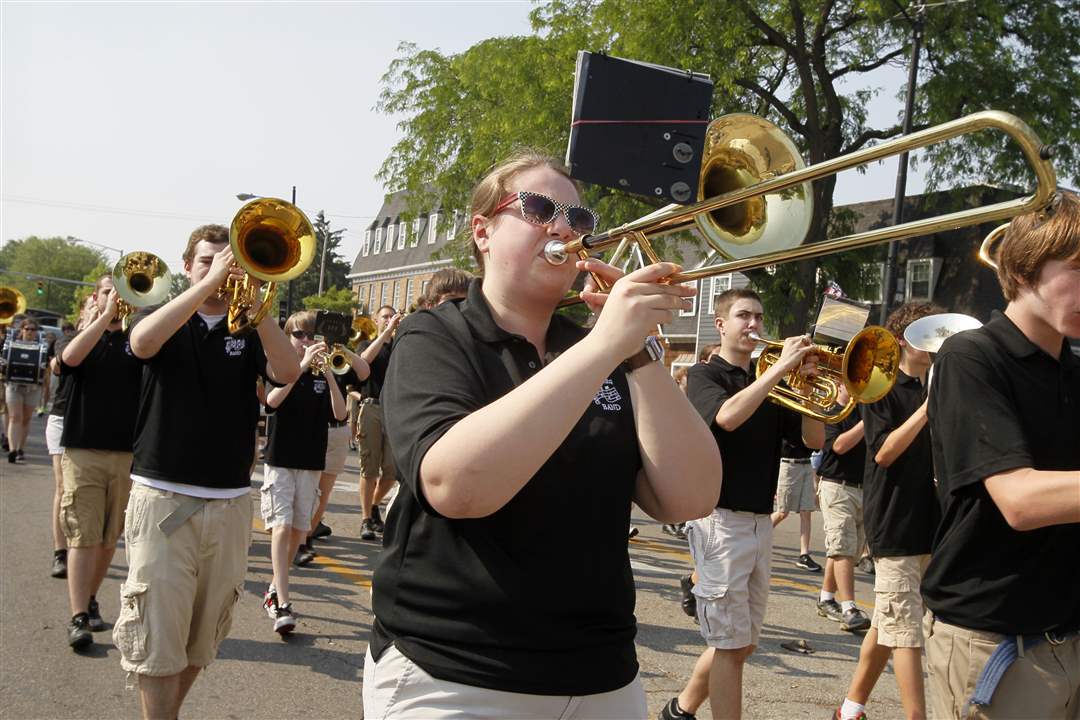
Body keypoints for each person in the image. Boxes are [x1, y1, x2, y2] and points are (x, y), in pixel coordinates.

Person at [362, 150, 721, 718]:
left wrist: (639, 351)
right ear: (482, 231)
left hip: (603, 675)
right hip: (456, 673)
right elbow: (457, 487)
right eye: (538, 208)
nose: (564, 228)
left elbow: (692, 496)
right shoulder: (435, 334)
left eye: (580, 220)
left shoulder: (600, 346)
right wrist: (606, 344)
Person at [114, 224, 301, 720]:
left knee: (202, 638)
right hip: (162, 497)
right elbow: (142, 342)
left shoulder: (249, 323)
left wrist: (258, 303)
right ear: (187, 266)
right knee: (157, 635)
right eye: (206, 260)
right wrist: (204, 286)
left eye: (228, 261)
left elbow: (287, 372)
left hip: (230, 502)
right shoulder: (166, 317)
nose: (220, 269)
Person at [922, 191, 1080, 720]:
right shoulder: (972, 356)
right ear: (1026, 267)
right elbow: (1020, 500)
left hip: (1066, 634)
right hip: (994, 643)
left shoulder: (1071, 368)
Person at [660, 288, 825, 720]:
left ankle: (680, 709)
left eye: (758, 317)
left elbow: (814, 440)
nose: (753, 325)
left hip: (760, 523)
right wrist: (780, 371)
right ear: (721, 325)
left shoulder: (770, 381)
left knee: (743, 642)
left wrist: (807, 387)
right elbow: (728, 418)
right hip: (719, 520)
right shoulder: (703, 375)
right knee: (730, 646)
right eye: (743, 316)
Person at [832, 301, 941, 720]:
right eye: (925, 333)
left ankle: (851, 707)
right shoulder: (879, 385)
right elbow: (883, 453)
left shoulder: (936, 383)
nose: (934, 342)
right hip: (893, 521)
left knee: (889, 623)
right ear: (900, 340)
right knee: (907, 631)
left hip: (931, 521)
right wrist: (928, 408)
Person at [58, 273, 143, 651]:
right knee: (83, 535)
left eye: (122, 294)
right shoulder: (79, 337)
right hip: (83, 449)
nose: (116, 299)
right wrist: (100, 318)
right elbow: (69, 359)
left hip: (126, 453)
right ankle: (78, 616)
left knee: (109, 537)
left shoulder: (137, 341)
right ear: (96, 296)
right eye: (109, 292)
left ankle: (90, 597)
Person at [259, 310, 348, 633]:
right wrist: (299, 366)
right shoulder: (280, 368)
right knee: (281, 527)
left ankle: (272, 589)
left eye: (311, 336)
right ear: (287, 337)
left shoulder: (320, 375)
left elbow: (340, 413)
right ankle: (283, 602)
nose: (306, 341)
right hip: (281, 459)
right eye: (299, 335)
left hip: (310, 462)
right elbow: (271, 402)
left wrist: (327, 375)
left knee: (299, 530)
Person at [814, 384, 871, 632]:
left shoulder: (863, 411)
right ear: (838, 385)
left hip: (862, 487)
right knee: (843, 548)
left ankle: (826, 598)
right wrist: (866, 423)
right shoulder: (832, 412)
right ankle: (849, 608)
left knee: (845, 549)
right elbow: (838, 446)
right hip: (837, 486)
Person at [355, 304, 402, 540]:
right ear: (375, 320)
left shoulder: (400, 345)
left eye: (392, 317)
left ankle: (374, 505)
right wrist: (386, 332)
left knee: (393, 470)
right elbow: (364, 360)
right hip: (372, 407)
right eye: (384, 316)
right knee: (369, 468)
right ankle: (365, 519)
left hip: (394, 411)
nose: (389, 319)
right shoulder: (366, 344)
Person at [772, 435, 822, 572]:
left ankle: (804, 555)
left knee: (806, 511)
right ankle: (757, 537)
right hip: (788, 464)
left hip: (807, 464)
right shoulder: (789, 415)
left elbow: (817, 446)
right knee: (783, 512)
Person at [4, 317, 50, 463]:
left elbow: (45, 368)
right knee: (14, 417)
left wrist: (45, 385)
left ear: (37, 332)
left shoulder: (42, 347)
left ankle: (20, 449)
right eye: (27, 329)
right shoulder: (11, 345)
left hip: (33, 387)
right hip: (13, 386)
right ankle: (12, 449)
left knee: (26, 418)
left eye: (33, 329)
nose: (30, 332)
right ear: (21, 330)